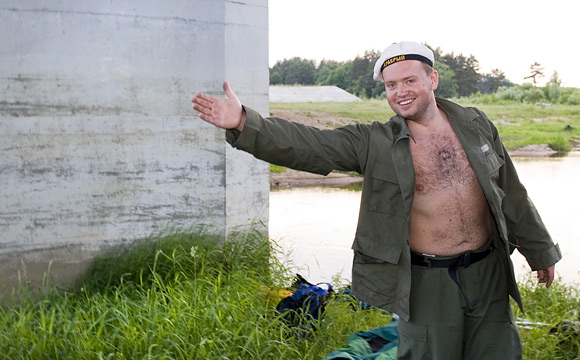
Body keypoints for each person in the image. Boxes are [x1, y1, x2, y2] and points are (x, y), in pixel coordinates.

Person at [192, 41, 561, 360]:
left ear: (432, 79)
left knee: (499, 352)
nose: (400, 91)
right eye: (390, 85)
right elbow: (311, 145)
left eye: (409, 81)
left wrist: (539, 249)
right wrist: (243, 122)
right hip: (428, 282)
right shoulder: (375, 142)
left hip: (488, 272)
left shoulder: (476, 124)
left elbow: (511, 192)